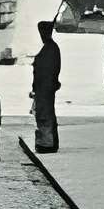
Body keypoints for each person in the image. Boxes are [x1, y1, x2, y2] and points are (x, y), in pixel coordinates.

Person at [31, 18, 62, 153]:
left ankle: (47, 143)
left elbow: (50, 70)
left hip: (45, 88)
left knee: (45, 115)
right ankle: (46, 141)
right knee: (43, 114)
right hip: (43, 88)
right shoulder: (49, 48)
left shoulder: (51, 48)